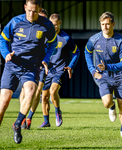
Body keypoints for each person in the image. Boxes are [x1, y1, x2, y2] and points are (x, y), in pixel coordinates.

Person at [0, 0, 57, 144]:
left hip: (31, 67)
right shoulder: (15, 21)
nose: (32, 14)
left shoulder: (47, 25)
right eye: (29, 10)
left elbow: (53, 43)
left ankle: (17, 124)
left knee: (31, 92)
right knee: (3, 104)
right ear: (25, 7)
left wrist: (46, 58)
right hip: (12, 64)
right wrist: (6, 53)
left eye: (35, 11)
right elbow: (3, 39)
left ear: (40, 9)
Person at [85, 12, 122, 137]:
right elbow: (87, 52)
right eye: (102, 24)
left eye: (107, 24)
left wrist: (108, 66)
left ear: (113, 24)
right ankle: (111, 107)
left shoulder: (120, 41)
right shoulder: (94, 39)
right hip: (103, 76)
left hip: (120, 75)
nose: (105, 27)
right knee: (107, 102)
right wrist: (93, 70)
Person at [38, 13, 80, 128]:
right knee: (44, 96)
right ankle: (46, 121)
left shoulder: (66, 38)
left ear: (60, 23)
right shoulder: (46, 37)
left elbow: (77, 52)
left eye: (56, 25)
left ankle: (57, 112)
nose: (54, 27)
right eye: (51, 25)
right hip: (48, 70)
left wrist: (70, 66)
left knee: (53, 91)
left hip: (60, 70)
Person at [19, 8, 49, 130]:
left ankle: (29, 117)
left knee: (37, 92)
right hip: (29, 65)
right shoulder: (29, 29)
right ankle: (22, 117)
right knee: (24, 92)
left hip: (42, 65)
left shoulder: (48, 31)